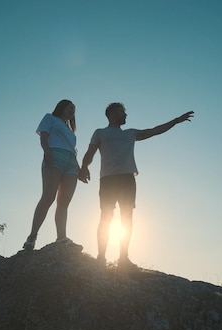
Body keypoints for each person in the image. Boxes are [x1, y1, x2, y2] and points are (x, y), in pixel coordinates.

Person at [78, 102, 194, 269]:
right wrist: (84, 167)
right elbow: (90, 153)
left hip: (127, 179)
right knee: (106, 217)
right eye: (122, 112)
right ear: (112, 113)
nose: (125, 115)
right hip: (108, 180)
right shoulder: (100, 133)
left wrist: (175, 121)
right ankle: (101, 257)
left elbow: (154, 131)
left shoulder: (130, 133)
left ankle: (123, 258)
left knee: (126, 218)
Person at [23, 99, 82, 251]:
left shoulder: (70, 130)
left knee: (64, 203)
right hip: (55, 155)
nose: (72, 111)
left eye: (74, 110)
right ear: (61, 107)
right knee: (48, 197)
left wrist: (79, 168)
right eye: (70, 108)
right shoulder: (50, 118)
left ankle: (61, 238)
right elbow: (44, 136)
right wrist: (47, 152)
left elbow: (73, 150)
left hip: (71, 162)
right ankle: (32, 237)